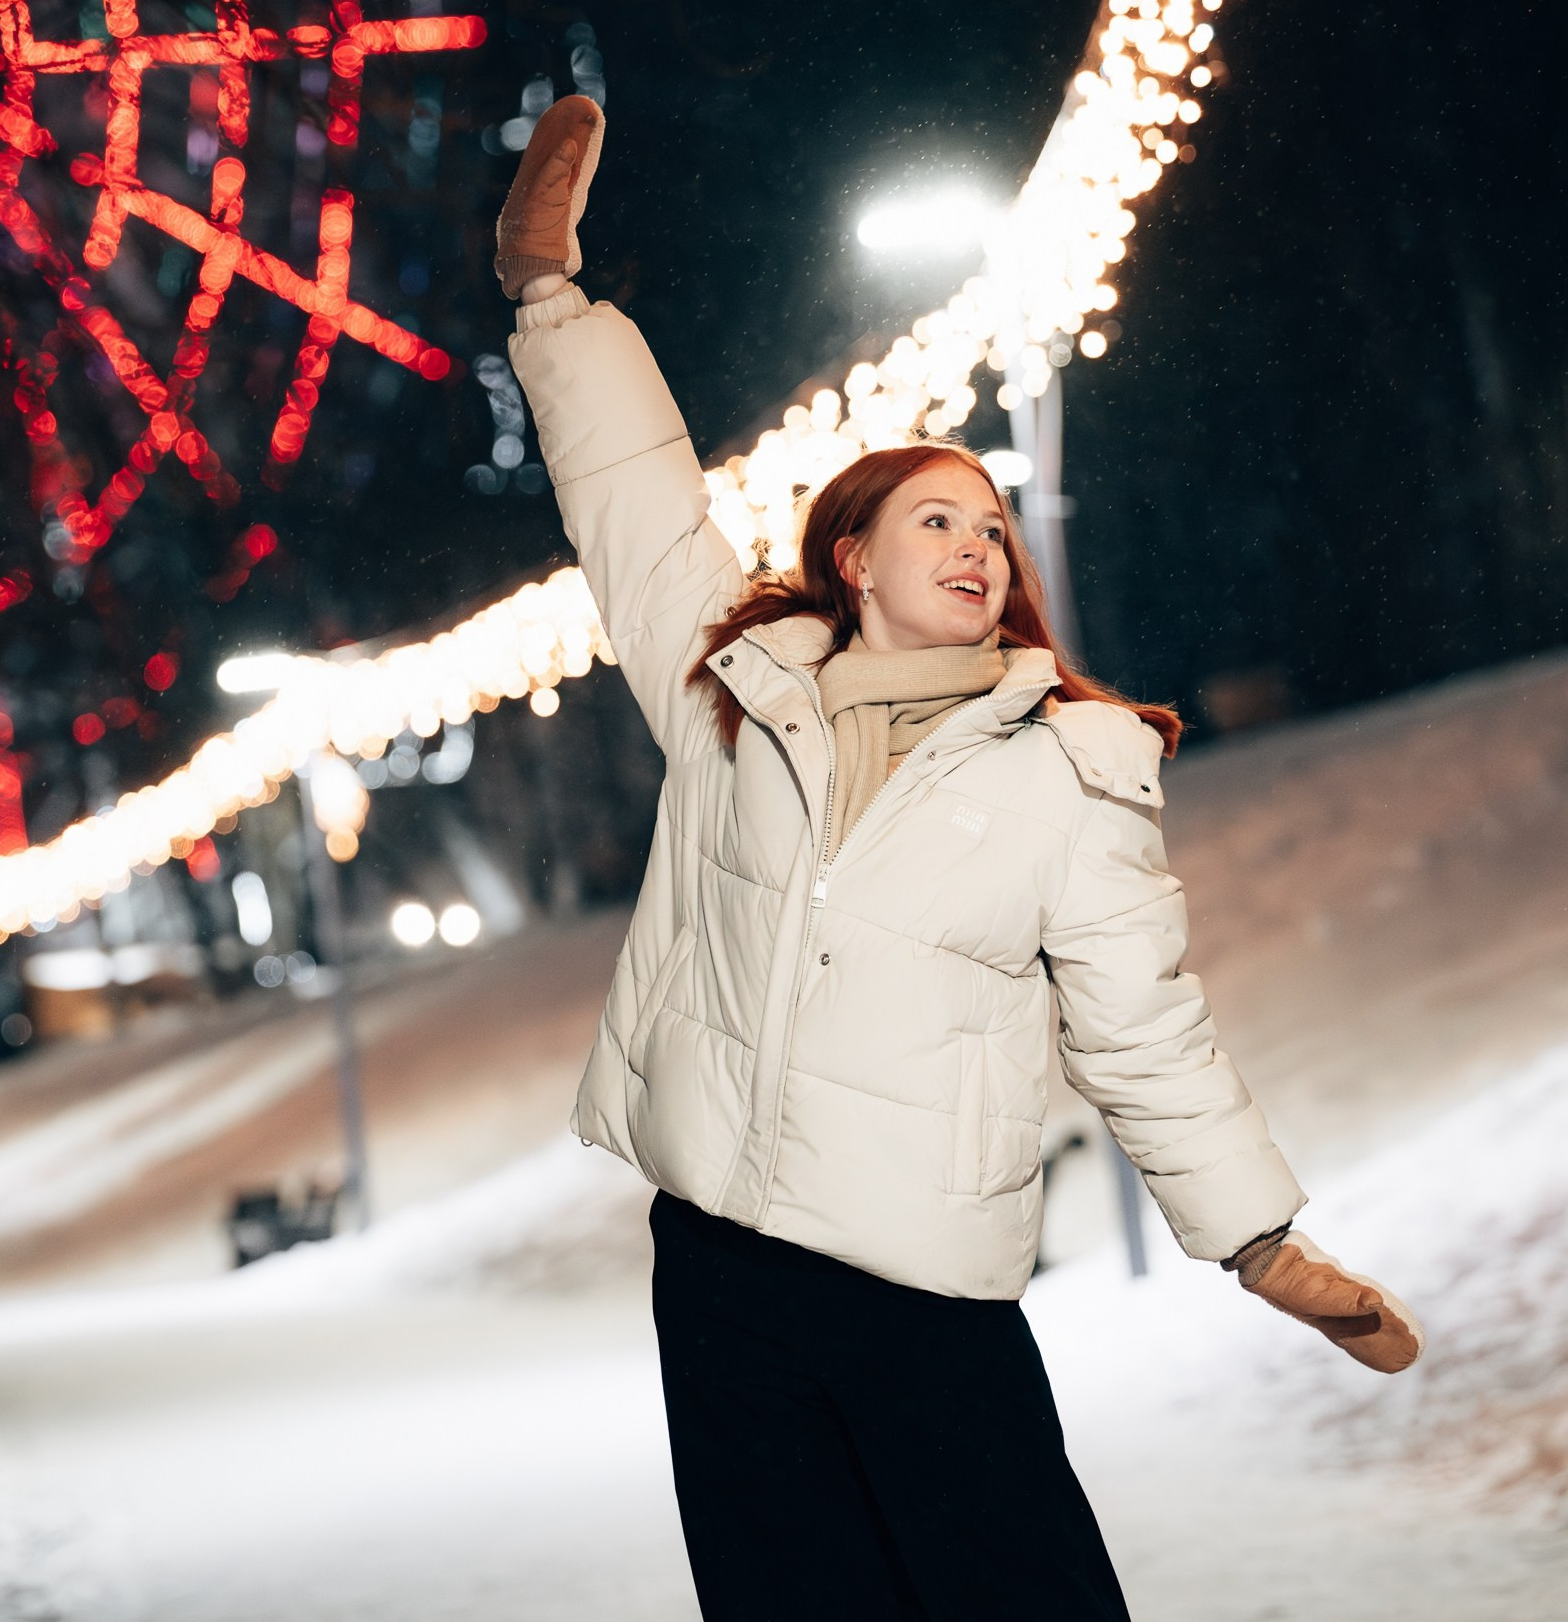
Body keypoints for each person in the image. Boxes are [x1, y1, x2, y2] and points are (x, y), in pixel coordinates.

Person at [496, 97, 1424, 1622]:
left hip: (926, 1285)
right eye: (939, 516)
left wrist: (1259, 1236)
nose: (980, 542)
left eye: (994, 523)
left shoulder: (1071, 765)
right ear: (851, 558)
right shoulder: (731, 700)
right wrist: (549, 298)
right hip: (725, 1273)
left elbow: (1147, 1028)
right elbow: (638, 509)